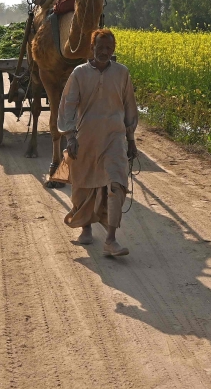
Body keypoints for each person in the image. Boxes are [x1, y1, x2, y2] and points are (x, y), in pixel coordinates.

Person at [57, 28, 138, 256]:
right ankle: (85, 228)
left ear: (114, 49)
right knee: (84, 185)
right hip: (86, 139)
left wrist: (130, 140)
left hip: (114, 139)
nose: (104, 52)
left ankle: (111, 240)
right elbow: (68, 106)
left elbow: (129, 107)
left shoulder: (122, 73)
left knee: (116, 184)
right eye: (100, 47)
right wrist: (70, 137)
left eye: (109, 48)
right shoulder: (79, 74)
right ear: (92, 48)